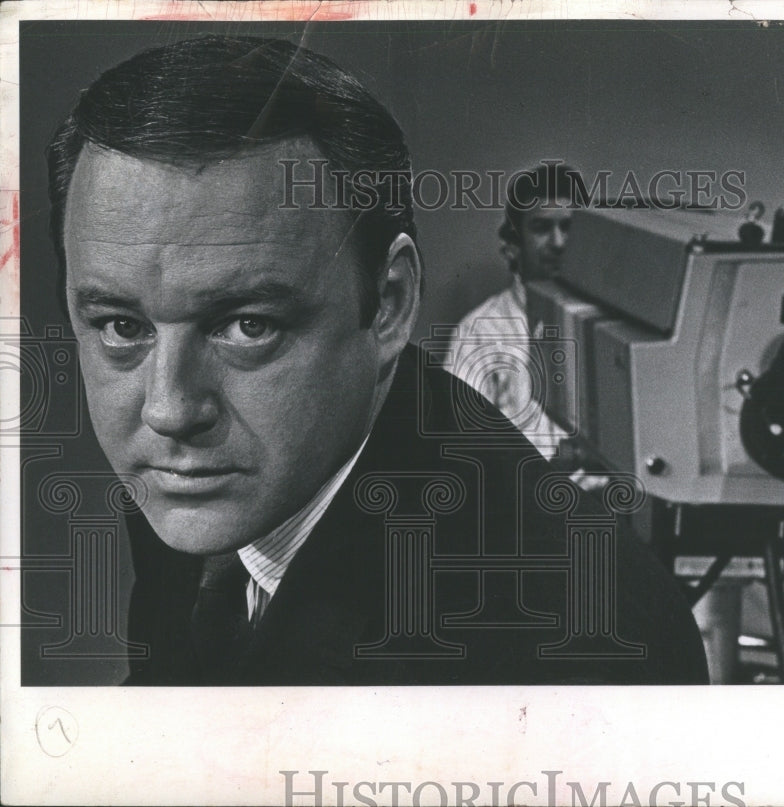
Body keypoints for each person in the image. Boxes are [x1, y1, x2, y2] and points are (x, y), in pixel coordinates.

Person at [48, 35, 707, 685]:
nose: (168, 409)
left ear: (389, 303)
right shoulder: (208, 491)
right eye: (121, 325)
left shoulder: (581, 645)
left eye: (248, 325)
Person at [446, 164, 575, 462]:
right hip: (521, 502)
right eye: (542, 228)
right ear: (513, 245)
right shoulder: (478, 333)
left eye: (568, 227)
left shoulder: (607, 326)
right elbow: (461, 452)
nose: (558, 243)